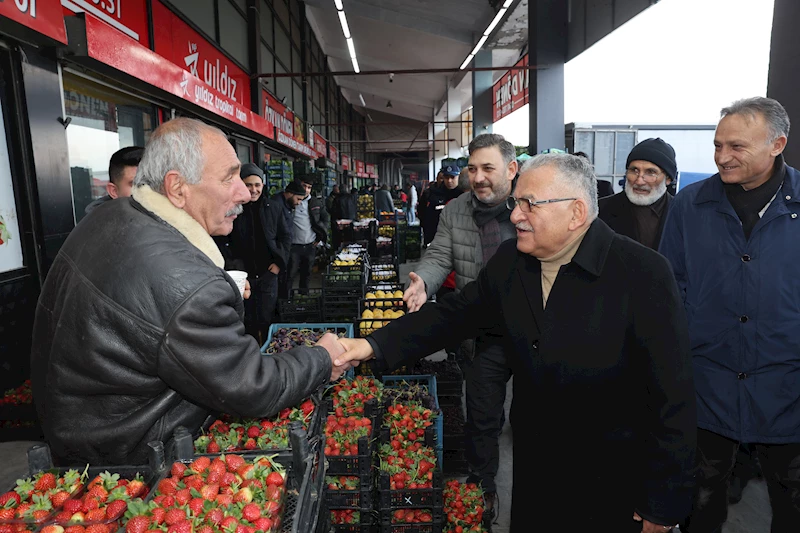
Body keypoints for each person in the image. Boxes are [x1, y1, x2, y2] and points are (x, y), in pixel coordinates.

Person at [337, 152, 697, 532]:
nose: (515, 215)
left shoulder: (641, 273)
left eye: (530, 204)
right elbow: (454, 314)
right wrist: (372, 345)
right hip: (535, 463)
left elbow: (673, 397)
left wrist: (661, 504)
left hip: (609, 477)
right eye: (516, 201)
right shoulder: (513, 261)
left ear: (576, 213)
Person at [30, 118, 350, 465]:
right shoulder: (185, 282)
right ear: (178, 188)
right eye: (229, 177)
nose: (244, 192)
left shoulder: (107, 217)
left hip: (82, 434)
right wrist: (321, 358)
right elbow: (252, 387)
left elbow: (149, 310)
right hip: (133, 458)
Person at [659, 97, 800, 533]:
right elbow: (671, 287)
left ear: (777, 144)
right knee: (700, 504)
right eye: (717, 145)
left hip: (788, 391)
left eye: (736, 147)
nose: (722, 157)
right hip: (708, 388)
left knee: (792, 506)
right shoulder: (690, 205)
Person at [401, 134, 518, 524]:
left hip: (533, 329)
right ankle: (483, 487)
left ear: (512, 169)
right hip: (481, 330)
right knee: (482, 411)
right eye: (473, 168)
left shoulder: (529, 207)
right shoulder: (455, 211)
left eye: (488, 168)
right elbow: (439, 255)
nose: (479, 177)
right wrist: (423, 282)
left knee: (532, 413)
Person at [226, 163, 292, 344]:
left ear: (263, 185)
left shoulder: (274, 207)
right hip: (242, 277)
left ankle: (268, 352)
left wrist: (278, 264)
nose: (253, 190)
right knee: (245, 318)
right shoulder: (234, 209)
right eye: (248, 185)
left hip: (267, 274)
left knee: (266, 317)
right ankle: (250, 353)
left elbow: (286, 237)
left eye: (257, 185)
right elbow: (224, 241)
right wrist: (233, 266)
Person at [599, 138, 677, 249]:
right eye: (634, 170)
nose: (639, 181)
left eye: (650, 172)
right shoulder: (600, 211)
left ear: (668, 178)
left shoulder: (682, 213)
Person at [286, 177, 328, 295]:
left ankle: (304, 298)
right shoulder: (290, 201)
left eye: (309, 187)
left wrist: (320, 237)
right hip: (293, 246)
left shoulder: (315, 202)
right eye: (304, 186)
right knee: (290, 274)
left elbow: (325, 218)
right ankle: (288, 300)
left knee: (307, 274)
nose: (306, 190)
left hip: (310, 245)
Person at [84, 146, 144, 215]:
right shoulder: (101, 224)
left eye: (154, 183)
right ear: (114, 191)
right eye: (138, 185)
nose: (148, 190)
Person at [420, 165, 463, 246]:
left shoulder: (465, 195)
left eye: (453, 177)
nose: (449, 181)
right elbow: (427, 218)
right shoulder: (434, 194)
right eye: (446, 177)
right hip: (439, 239)